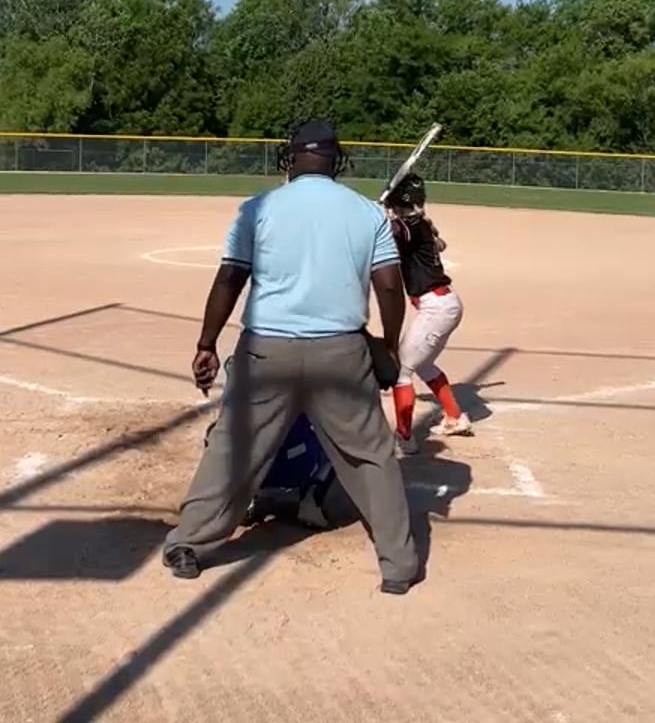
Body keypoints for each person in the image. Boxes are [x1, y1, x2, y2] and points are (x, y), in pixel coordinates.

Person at [164, 118, 422, 594]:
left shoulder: (258, 208)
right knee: (371, 455)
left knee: (233, 445)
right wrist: (388, 345)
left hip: (266, 350)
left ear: (292, 157)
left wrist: (206, 343)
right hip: (341, 353)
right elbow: (389, 287)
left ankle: (190, 544)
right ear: (336, 160)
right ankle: (399, 566)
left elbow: (230, 278)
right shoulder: (366, 213)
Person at [383, 173, 474, 456]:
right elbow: (435, 243)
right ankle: (455, 417)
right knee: (423, 365)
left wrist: (376, 215)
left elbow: (395, 232)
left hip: (436, 307)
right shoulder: (418, 224)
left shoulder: (410, 226)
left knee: (402, 370)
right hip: (443, 304)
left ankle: (404, 438)